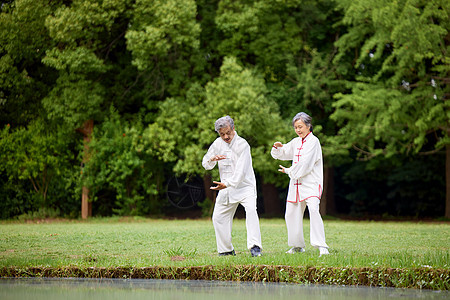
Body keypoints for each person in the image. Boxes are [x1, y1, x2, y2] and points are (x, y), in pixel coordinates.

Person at [202, 115, 262, 257]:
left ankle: (255, 247)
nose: (226, 136)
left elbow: (240, 172)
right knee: (218, 217)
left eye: (228, 133)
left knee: (251, 211)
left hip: (245, 187)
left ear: (233, 128)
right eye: (222, 134)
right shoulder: (217, 144)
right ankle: (226, 250)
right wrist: (212, 159)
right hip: (226, 188)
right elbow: (205, 164)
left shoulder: (243, 145)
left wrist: (227, 184)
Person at [271, 112, 329, 256]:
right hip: (296, 185)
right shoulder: (296, 142)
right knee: (291, 213)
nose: (298, 130)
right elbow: (285, 152)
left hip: (311, 184)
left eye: (300, 126)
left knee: (314, 211)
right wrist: (277, 148)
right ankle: (297, 246)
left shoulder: (314, 142)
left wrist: (289, 171)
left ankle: (322, 246)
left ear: (309, 126)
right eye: (296, 127)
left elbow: (306, 164)